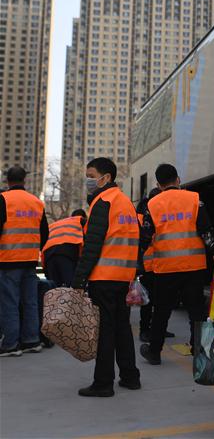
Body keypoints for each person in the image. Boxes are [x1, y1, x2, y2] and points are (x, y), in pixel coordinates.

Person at [139, 163, 214, 365]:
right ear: (178, 180)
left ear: (158, 185)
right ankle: (198, 349)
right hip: (193, 266)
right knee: (196, 311)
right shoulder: (195, 200)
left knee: (161, 311)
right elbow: (206, 231)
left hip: (165, 268)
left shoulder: (152, 205)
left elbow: (145, 237)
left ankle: (155, 351)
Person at [71, 157, 141, 397]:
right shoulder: (125, 203)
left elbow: (92, 245)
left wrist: (79, 280)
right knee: (122, 327)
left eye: (91, 175)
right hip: (123, 276)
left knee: (105, 331)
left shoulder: (103, 202)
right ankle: (130, 377)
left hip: (103, 276)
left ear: (106, 177)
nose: (88, 180)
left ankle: (103, 383)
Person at [0, 166, 49, 357]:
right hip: (29, 261)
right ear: (24, 180)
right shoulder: (36, 202)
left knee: (9, 303)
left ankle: (11, 344)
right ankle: (31, 340)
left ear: (8, 181)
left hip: (7, 260)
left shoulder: (3, 199)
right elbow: (44, 234)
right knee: (30, 302)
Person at [135, 188, 173, 344]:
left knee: (160, 300)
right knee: (148, 301)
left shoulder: (154, 214)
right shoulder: (142, 216)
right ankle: (144, 330)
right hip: (149, 264)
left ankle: (157, 329)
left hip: (161, 263)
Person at [42, 209, 86, 288]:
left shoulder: (55, 224)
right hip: (67, 254)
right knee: (72, 289)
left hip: (48, 255)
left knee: (54, 290)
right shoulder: (81, 221)